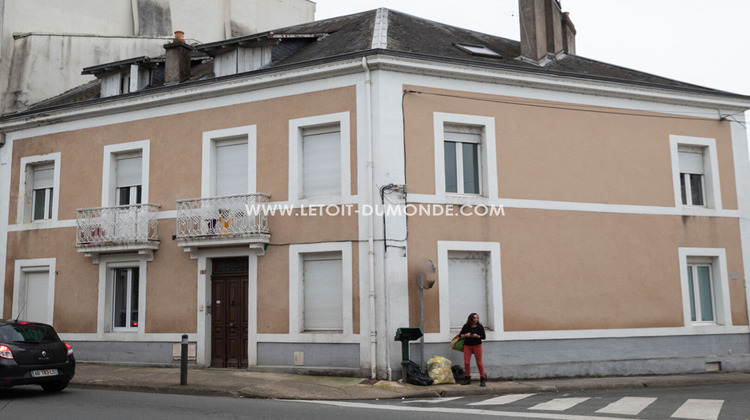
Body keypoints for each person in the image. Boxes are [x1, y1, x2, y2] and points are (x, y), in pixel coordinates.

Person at [458, 312, 486, 386]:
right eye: (474, 318)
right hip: (467, 346)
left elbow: (483, 337)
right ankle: (467, 379)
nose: (476, 319)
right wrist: (465, 335)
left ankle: (482, 379)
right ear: (471, 319)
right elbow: (460, 335)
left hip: (477, 346)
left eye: (477, 318)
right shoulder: (466, 326)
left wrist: (477, 336)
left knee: (479, 362)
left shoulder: (480, 326)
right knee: (467, 362)